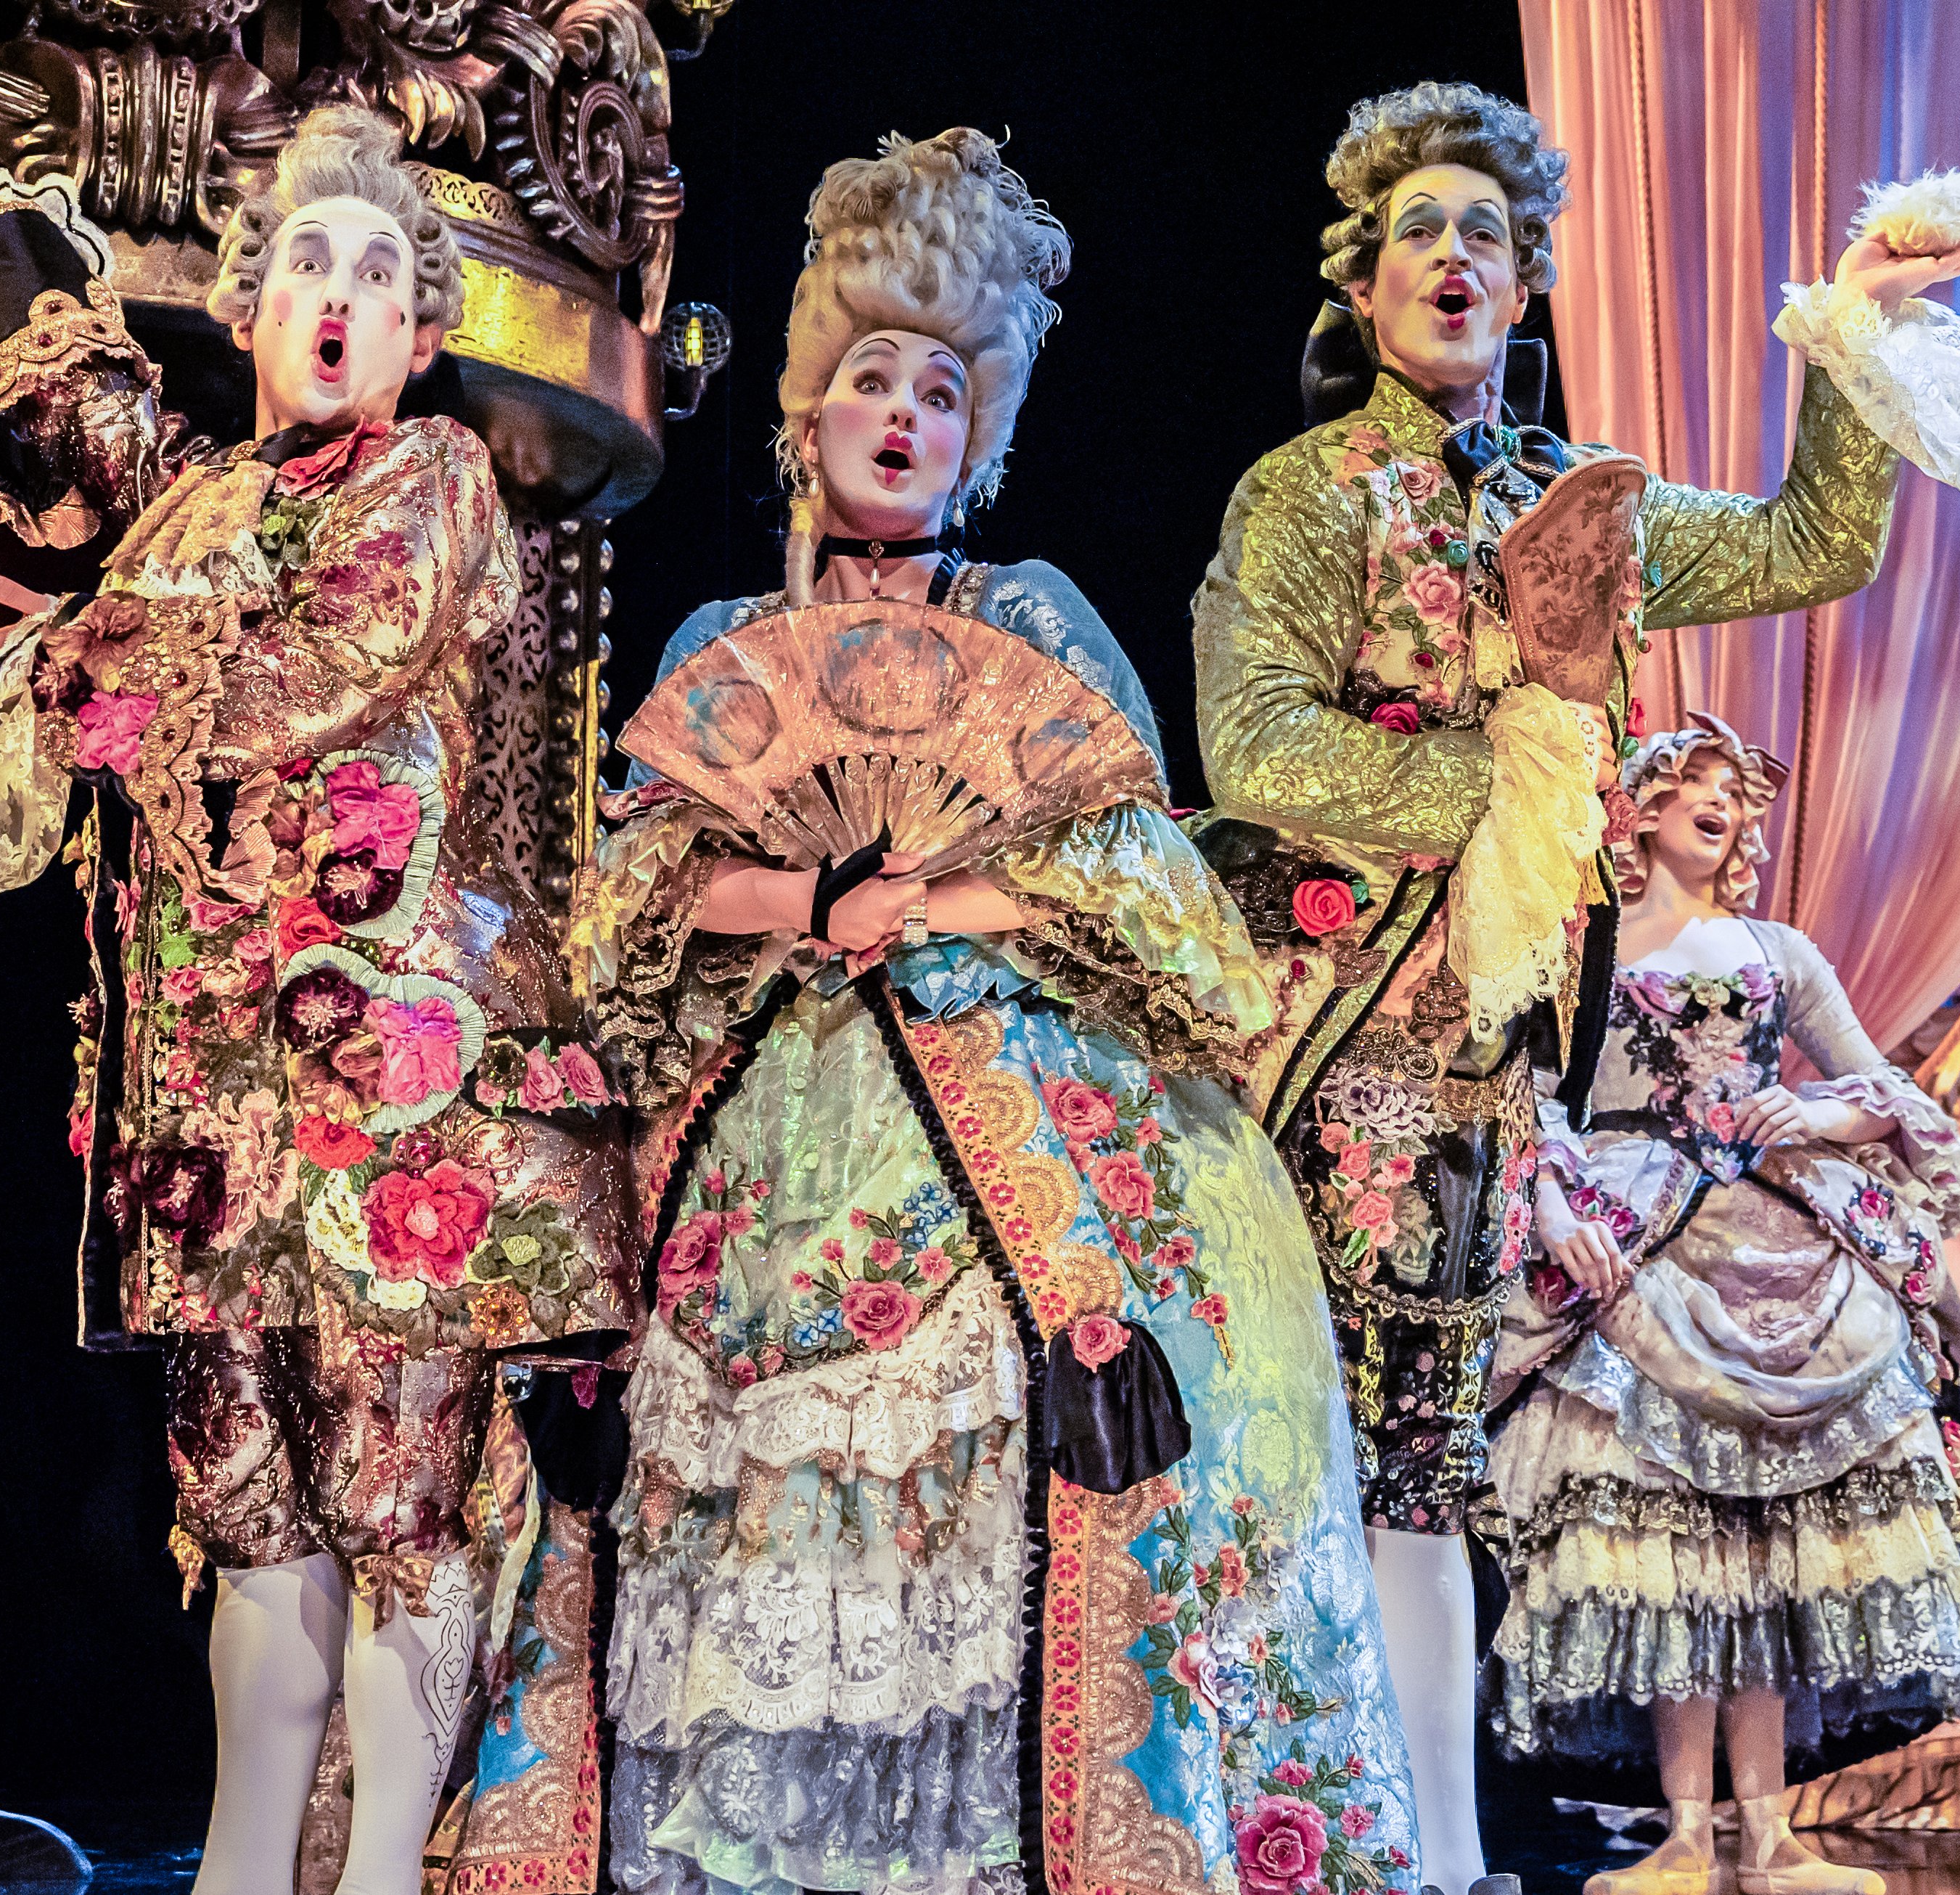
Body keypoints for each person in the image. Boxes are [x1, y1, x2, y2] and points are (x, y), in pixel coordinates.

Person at [1188, 81, 1960, 1891]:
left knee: (1430, 1460)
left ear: (1525, 290)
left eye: (1483, 234)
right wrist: (1509, 772)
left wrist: (1852, 318)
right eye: (1416, 227)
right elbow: (1251, 741)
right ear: (1362, 278)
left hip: (1503, 1054)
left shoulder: (1586, 506)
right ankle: (1294, 1832)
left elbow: (1816, 545)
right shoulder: (1307, 493)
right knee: (1324, 1437)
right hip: (1329, 1036)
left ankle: (1419, 1849)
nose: (1451, 256)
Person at [584, 128, 1418, 1895]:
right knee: (749, 1514)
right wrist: (814, 898)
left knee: (1003, 1480)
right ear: (803, 424)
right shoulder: (724, 638)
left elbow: (1149, 883)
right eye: (869, 383)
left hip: (1000, 1096)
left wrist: (949, 893)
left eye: (939, 398)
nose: (901, 416)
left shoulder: (1030, 618)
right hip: (770, 1115)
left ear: (979, 446)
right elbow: (635, 893)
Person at [0, 58, 636, 1895]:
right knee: (249, 1505)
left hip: (390, 1121)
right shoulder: (197, 507)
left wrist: (61, 663)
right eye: (304, 270)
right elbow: (78, 417)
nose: (338, 299)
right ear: (254, 311)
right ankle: (239, 1867)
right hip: (206, 1111)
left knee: (402, 1508)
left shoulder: (433, 487)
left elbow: (304, 673)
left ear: (423, 332)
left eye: (377, 272)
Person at [1499, 719, 1960, 1895]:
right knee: (1675, 1542)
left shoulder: (1778, 951)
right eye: (1695, 788)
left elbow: (1875, 1083)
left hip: (1779, 1239)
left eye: (1736, 793)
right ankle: (1684, 1831)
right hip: (1642, 1240)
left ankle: (1771, 1833)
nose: (1721, 806)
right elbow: (1528, 1101)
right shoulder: (1581, 950)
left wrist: (1817, 1118)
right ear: (1638, 812)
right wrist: (1554, 1212)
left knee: (1781, 1542)